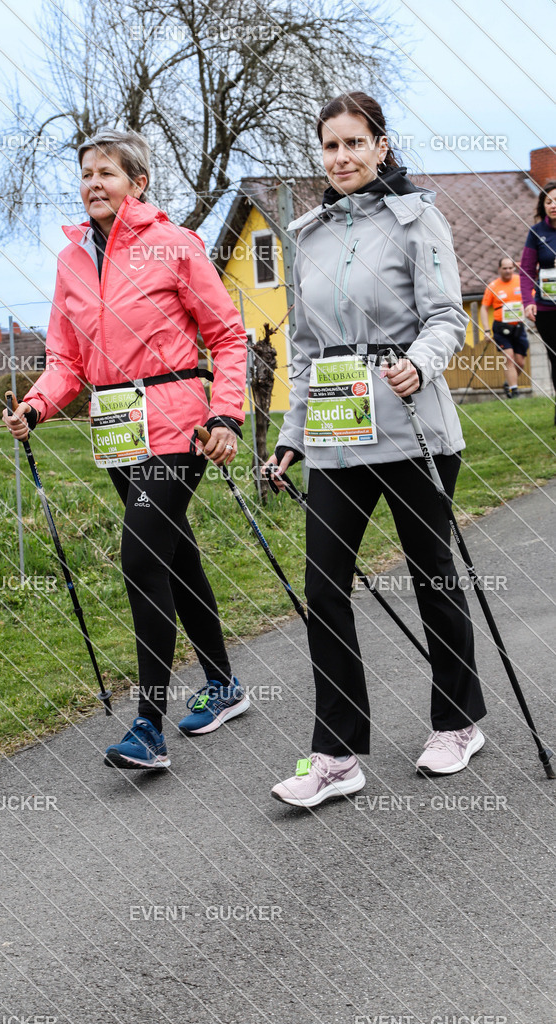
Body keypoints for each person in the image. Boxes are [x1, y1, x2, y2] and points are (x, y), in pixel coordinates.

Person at [264, 92, 487, 809]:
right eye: (330, 147)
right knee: (323, 586)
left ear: (382, 147)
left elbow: (448, 315)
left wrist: (419, 364)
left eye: (355, 143)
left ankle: (457, 723)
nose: (342, 158)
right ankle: (336, 752)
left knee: (431, 575)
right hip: (335, 434)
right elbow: (303, 350)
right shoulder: (309, 235)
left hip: (412, 424)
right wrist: (291, 438)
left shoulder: (419, 220)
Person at [3, 129, 249, 770]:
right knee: (174, 555)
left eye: (106, 172)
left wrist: (227, 413)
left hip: (179, 423)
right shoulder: (72, 261)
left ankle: (148, 726)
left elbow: (226, 336)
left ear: (137, 183)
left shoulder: (175, 245)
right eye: (85, 173)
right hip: (115, 429)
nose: (92, 184)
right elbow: (65, 359)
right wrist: (36, 404)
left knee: (141, 555)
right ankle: (223, 684)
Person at [520, 179, 556, 422]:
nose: (554, 205)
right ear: (543, 205)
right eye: (549, 201)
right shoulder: (536, 233)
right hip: (547, 309)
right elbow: (525, 271)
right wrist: (527, 301)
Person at [480, 256, 529, 398]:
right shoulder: (493, 286)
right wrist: (487, 330)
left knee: (520, 362)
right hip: (501, 328)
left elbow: (532, 299)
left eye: (510, 268)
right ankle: (514, 391)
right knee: (509, 358)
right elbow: (484, 308)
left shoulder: (521, 281)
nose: (508, 271)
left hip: (519, 327)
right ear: (499, 269)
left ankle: (509, 382)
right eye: (505, 268)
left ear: (514, 268)